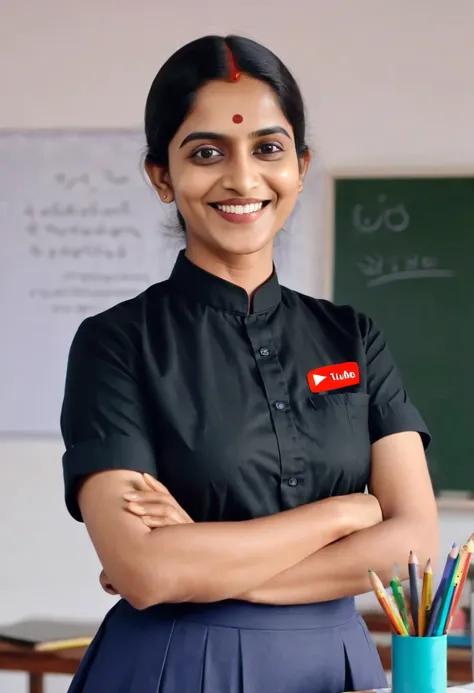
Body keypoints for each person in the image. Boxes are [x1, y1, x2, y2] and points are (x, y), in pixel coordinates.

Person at [61, 34, 438, 693]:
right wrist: (346, 513)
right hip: (174, 664)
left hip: (339, 667)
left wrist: (201, 564)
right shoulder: (115, 343)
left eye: (268, 147)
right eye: (206, 152)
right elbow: (146, 570)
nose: (242, 178)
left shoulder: (354, 337)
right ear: (161, 175)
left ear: (300, 164)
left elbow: (415, 549)